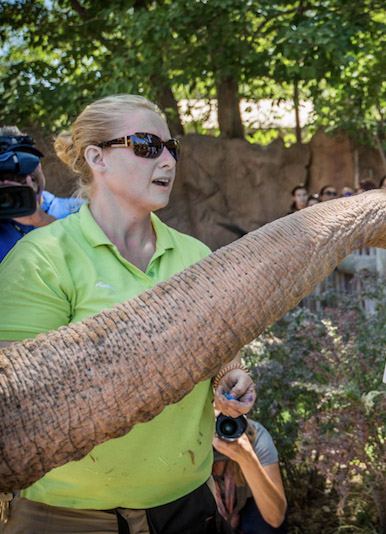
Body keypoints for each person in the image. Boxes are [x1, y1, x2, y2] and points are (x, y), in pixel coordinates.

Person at [0, 94, 255, 533]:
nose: (168, 161)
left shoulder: (195, 254)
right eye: (146, 145)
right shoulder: (42, 257)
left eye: (171, 147)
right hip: (70, 515)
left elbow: (220, 352)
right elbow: (18, 396)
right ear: (97, 157)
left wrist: (229, 377)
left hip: (187, 505)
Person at [0, 126, 83, 262]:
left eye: (27, 162)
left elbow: (98, 258)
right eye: (7, 172)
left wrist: (41, 220)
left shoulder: (77, 211)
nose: (23, 175)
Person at [212, 416, 287, 534]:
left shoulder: (255, 436)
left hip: (248, 509)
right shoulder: (185, 442)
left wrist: (247, 459)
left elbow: (275, 517)